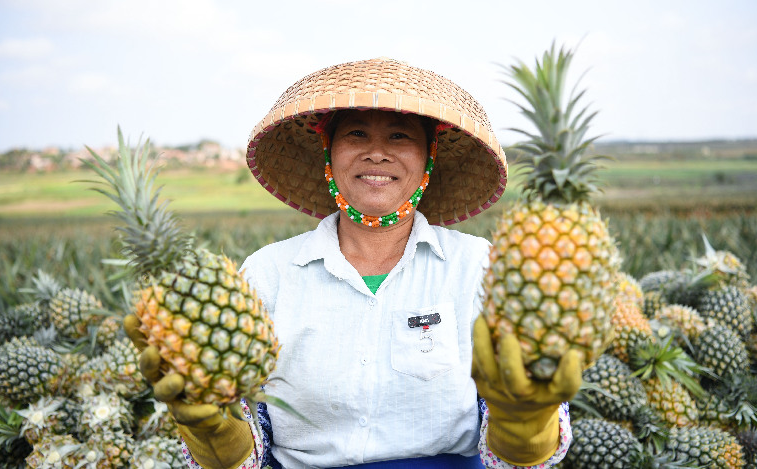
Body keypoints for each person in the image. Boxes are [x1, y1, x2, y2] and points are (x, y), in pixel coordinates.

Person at [128, 57, 581, 469]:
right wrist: (214, 435)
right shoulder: (268, 275)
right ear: (329, 152)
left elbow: (522, 439)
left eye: (399, 135)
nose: (376, 152)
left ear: (429, 157)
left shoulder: (481, 268)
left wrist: (526, 430)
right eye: (356, 133)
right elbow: (249, 442)